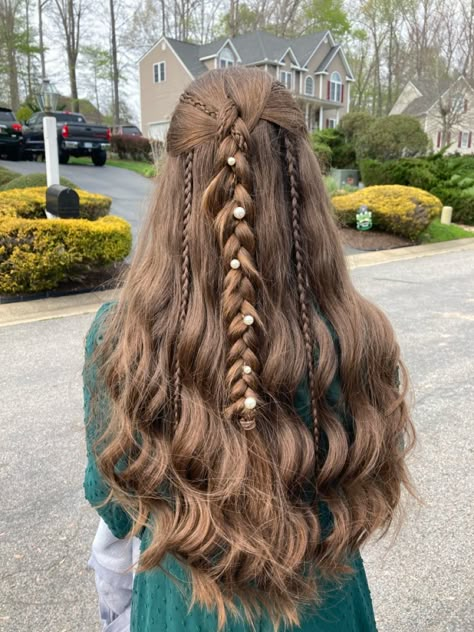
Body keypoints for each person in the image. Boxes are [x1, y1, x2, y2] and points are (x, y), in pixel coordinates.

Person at [83, 67, 415, 632]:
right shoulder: (353, 333)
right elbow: (366, 481)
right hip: (325, 610)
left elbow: (115, 500)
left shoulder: (124, 335)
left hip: (183, 611)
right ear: (303, 182)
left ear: (174, 190)